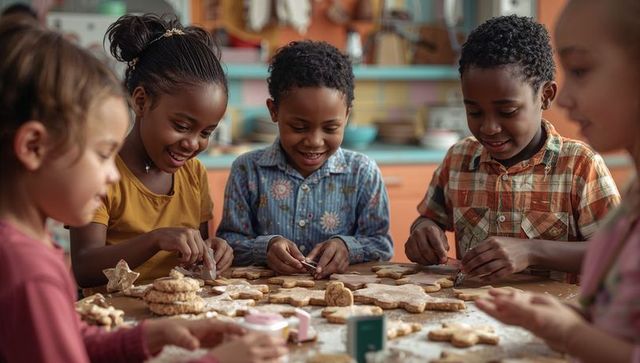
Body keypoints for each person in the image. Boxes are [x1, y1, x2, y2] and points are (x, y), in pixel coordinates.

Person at [0, 21, 286, 363]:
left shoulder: (28, 246)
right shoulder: (28, 272)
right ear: (34, 146)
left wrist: (147, 337)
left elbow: (72, 339)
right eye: (103, 153)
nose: (111, 174)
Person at [476, 1, 640, 362]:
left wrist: (567, 332)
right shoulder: (631, 201)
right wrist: (560, 319)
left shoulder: (583, 166)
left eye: (580, 70)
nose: (563, 98)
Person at [404, 14, 620, 282]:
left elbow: (617, 255)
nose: (489, 127)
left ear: (545, 96)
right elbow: (429, 218)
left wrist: (533, 251)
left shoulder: (579, 166)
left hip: (553, 319)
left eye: (507, 111)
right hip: (473, 317)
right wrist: (424, 232)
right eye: (474, 111)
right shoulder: (459, 159)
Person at [70, 14, 234, 287]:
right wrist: (155, 240)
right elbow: (84, 267)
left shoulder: (193, 175)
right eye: (181, 126)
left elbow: (196, 255)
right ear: (141, 101)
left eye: (206, 133)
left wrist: (211, 250)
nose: (193, 143)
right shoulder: (101, 173)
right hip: (113, 320)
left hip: (177, 315)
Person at [217, 40, 393, 279]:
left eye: (331, 128)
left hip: (344, 301)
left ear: (347, 116)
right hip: (266, 306)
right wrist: (265, 247)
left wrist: (347, 248)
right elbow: (228, 244)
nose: (314, 141)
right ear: (274, 111)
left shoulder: (363, 172)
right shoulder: (247, 170)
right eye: (299, 127)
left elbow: (381, 245)